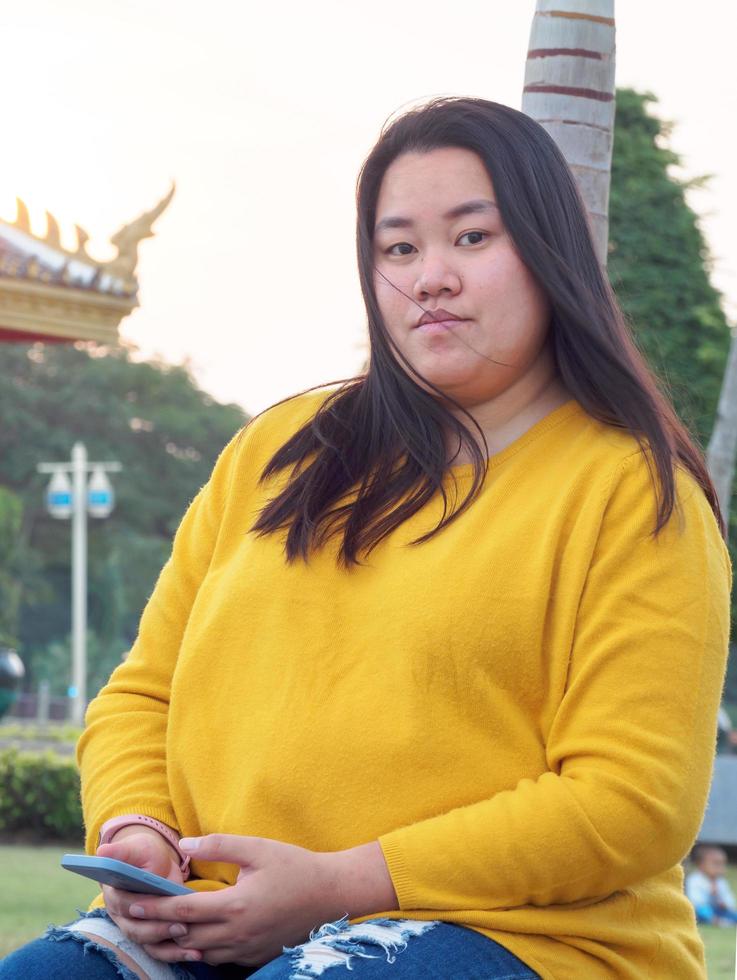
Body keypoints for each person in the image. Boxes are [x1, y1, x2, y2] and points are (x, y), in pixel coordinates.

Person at [0, 96, 731, 980]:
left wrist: (339, 884)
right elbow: (141, 695)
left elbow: (629, 803)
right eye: (398, 248)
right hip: (210, 921)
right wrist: (138, 831)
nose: (429, 276)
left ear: (549, 254)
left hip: (521, 940)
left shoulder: (633, 491)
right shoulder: (278, 450)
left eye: (471, 238)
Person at [685, 844, 737, 926]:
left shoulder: (721, 882)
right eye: (716, 864)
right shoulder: (695, 880)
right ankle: (716, 921)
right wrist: (710, 893)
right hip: (700, 911)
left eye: (723, 864)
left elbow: (730, 902)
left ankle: (724, 921)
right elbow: (695, 902)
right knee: (703, 912)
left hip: (718, 911)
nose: (720, 868)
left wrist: (723, 902)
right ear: (701, 865)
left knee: (733, 914)